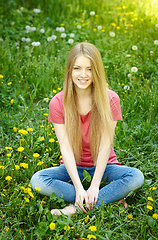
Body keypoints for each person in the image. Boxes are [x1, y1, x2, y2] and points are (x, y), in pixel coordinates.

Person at [30, 42, 144, 216]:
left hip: (104, 166)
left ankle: (76, 208)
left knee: (136, 177)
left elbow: (106, 146)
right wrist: (78, 186)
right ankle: (106, 199)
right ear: (70, 70)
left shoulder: (111, 100)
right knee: (38, 180)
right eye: (77, 68)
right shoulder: (58, 103)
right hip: (72, 167)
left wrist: (95, 185)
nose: (83, 75)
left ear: (96, 71)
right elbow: (65, 148)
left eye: (89, 69)